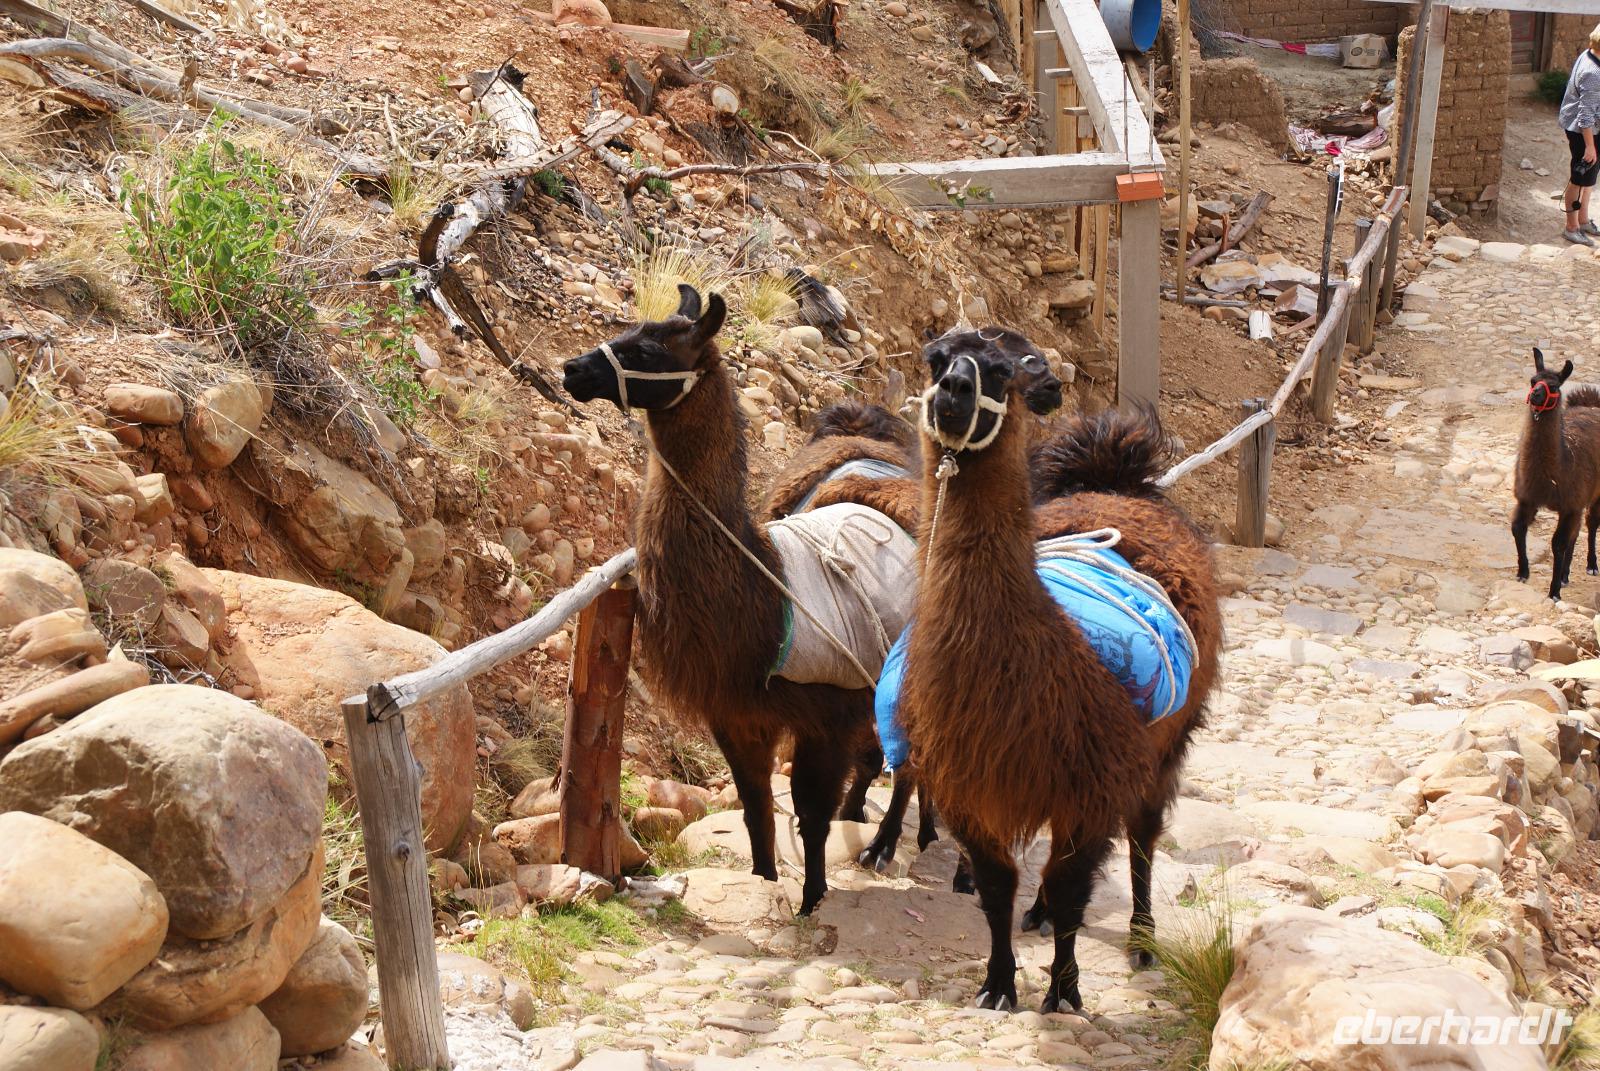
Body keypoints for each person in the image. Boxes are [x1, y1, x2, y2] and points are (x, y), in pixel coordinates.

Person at [1559, 24, 1600, 246]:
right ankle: (1571, 228)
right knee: (1579, 178)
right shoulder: (1593, 73)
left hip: (1591, 129)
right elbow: (1585, 116)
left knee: (1589, 178)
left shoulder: (1590, 53)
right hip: (1583, 132)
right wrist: (1590, 146)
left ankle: (1583, 220)